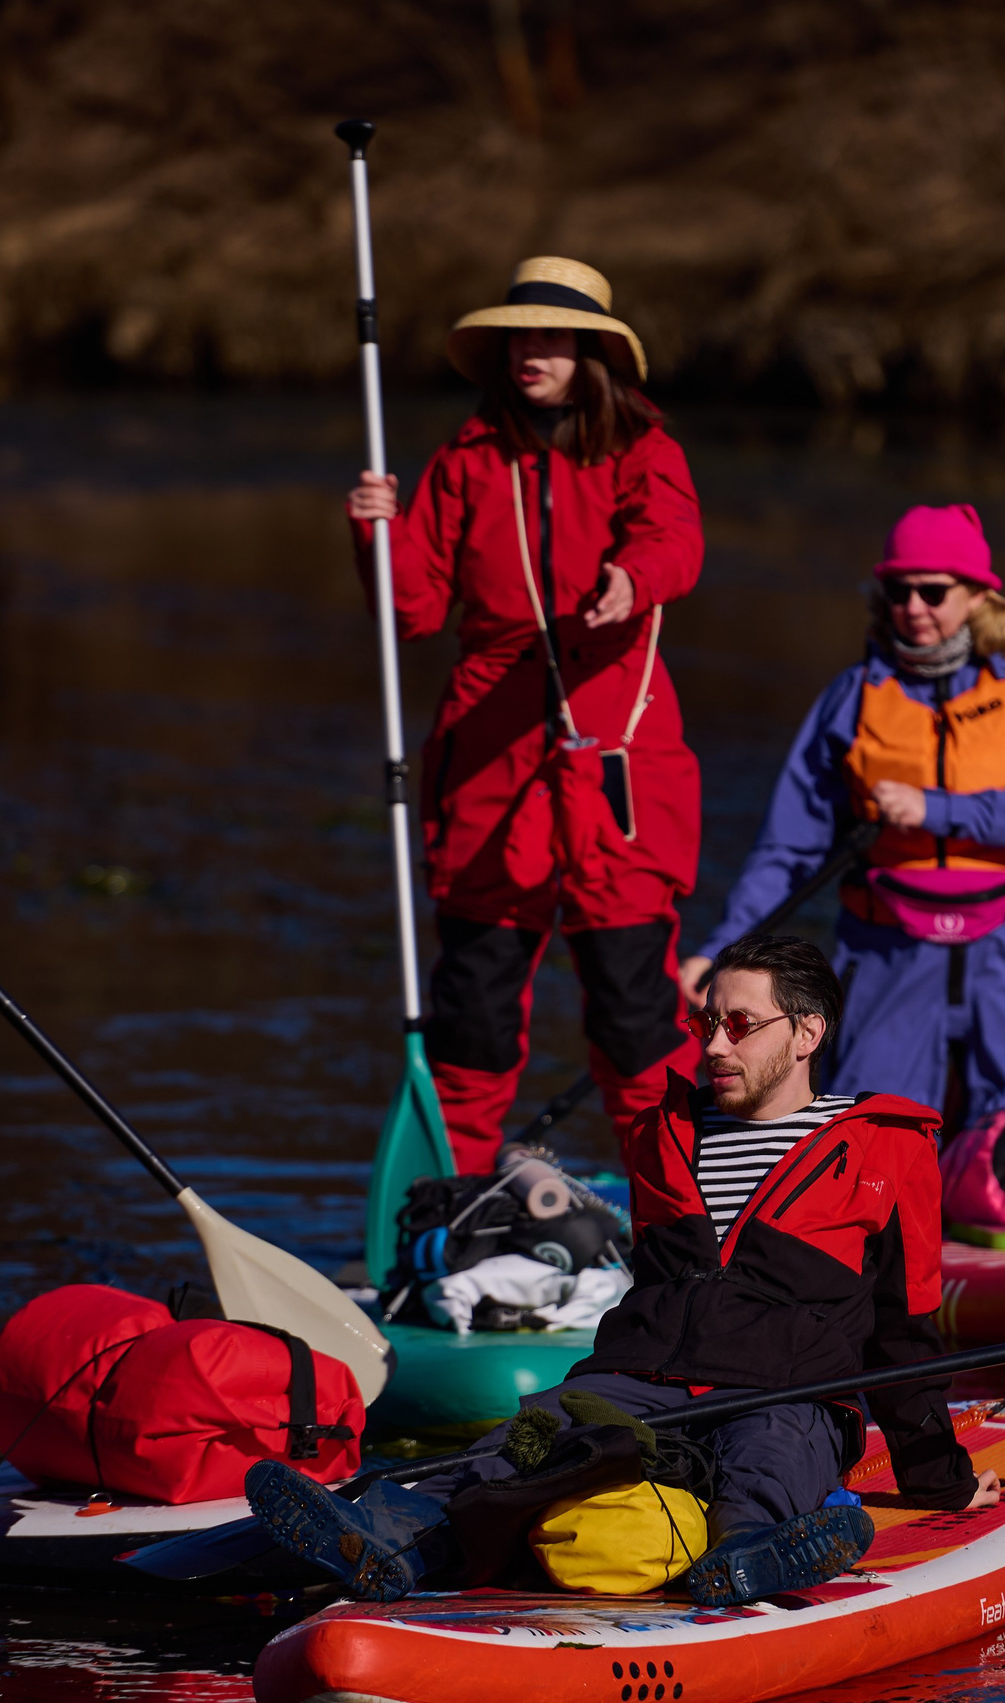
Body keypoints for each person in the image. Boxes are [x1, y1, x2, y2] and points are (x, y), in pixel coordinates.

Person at [248, 933, 996, 1604]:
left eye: (739, 1025)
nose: (713, 1046)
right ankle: (391, 1536)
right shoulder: (660, 1133)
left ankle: (744, 1556)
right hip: (635, 1377)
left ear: (808, 1032)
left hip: (787, 1390)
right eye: (706, 1023)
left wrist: (941, 1479)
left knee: (767, 1459)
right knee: (520, 1446)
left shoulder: (887, 1148)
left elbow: (904, 1329)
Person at [349, 256, 703, 1173]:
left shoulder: (645, 451)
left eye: (548, 336)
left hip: (615, 750)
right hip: (486, 763)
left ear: (591, 351)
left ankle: (680, 1211)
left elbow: (673, 543)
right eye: (518, 337)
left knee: (633, 1009)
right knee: (473, 1004)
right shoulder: (465, 462)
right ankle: (453, 1205)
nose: (529, 353)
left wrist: (635, 579)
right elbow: (415, 611)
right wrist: (376, 535)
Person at [679, 504, 1005, 1126]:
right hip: (889, 942)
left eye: (934, 591)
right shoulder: (851, 698)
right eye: (899, 591)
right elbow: (788, 849)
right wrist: (722, 953)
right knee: (875, 1134)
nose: (915, 607)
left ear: (980, 594)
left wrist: (939, 810)